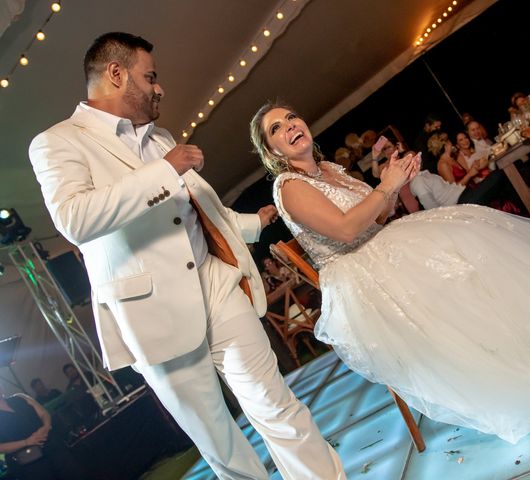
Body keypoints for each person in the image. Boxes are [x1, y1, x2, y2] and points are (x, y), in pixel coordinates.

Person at [29, 33, 344, 479]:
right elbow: (74, 219)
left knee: (274, 402)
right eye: (150, 77)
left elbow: (200, 215)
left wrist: (255, 221)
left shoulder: (159, 137)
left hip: (216, 285)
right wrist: (166, 170)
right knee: (220, 440)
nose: (159, 89)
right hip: (152, 313)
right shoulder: (58, 142)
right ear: (116, 74)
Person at [249, 101, 530, 444]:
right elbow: (348, 229)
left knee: (475, 235)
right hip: (358, 271)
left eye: (292, 117)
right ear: (272, 151)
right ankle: (516, 357)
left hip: (382, 242)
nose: (291, 126)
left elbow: (379, 214)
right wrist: (386, 185)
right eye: (277, 128)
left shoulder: (331, 168)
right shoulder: (289, 186)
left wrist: (396, 180)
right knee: (461, 260)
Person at [0, 385, 89, 480]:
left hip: (52, 446)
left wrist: (45, 427)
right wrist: (27, 442)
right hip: (30, 462)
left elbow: (43, 413)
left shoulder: (20, 397)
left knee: (75, 474)